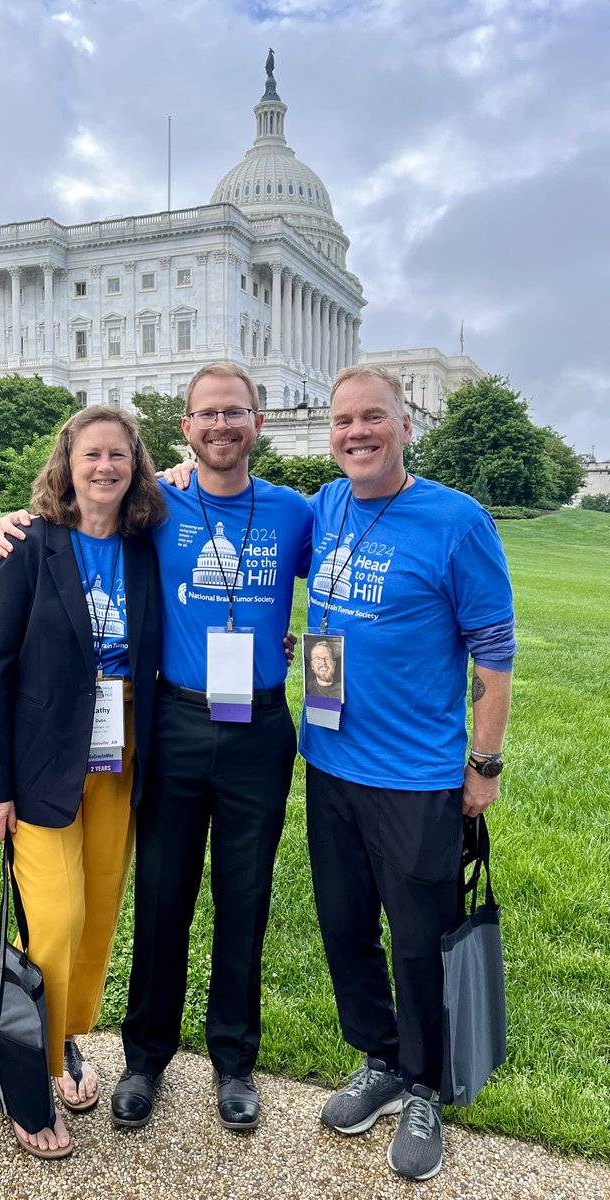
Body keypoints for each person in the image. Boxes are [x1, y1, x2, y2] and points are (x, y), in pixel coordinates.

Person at [0, 363, 313, 1133]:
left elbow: (345, 575)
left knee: (244, 900)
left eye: (234, 413)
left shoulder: (296, 513)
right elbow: (74, 515)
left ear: (257, 423)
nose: (220, 426)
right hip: (169, 721)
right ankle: (145, 1057)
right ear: (186, 428)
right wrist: (8, 522)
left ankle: (234, 1061)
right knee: (162, 898)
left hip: (259, 725)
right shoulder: (158, 506)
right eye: (206, 414)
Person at [304, 365, 515, 1182]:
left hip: (419, 775)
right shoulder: (324, 507)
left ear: (405, 426)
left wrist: (484, 765)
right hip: (329, 761)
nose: (357, 433)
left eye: (373, 419)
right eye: (343, 421)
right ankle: (380, 1060)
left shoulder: (456, 521)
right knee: (346, 927)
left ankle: (426, 1083)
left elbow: (493, 656)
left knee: (420, 940)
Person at [0, 406, 165, 1158]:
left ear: (135, 465)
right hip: (39, 765)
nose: (106, 468)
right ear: (67, 461)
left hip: (117, 766)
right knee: (53, 921)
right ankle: (28, 1078)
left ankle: (66, 1042)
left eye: (120, 455)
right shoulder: (27, 543)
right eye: (92, 455)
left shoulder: (147, 547)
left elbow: (204, 481)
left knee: (95, 923)